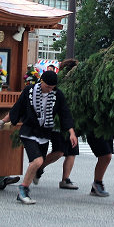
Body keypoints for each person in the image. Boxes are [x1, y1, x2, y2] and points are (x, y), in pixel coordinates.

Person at [1, 70, 76, 204]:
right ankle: (23, 190)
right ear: (42, 82)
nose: (50, 89)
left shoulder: (57, 95)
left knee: (37, 163)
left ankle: (24, 189)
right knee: (37, 161)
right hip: (28, 131)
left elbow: (65, 112)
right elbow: (18, 107)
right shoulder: (29, 90)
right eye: (48, 86)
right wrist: (4, 120)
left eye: (52, 87)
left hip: (44, 133)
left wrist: (71, 132)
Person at [34, 59, 80, 190]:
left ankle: (65, 179)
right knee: (59, 151)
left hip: (71, 122)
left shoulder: (78, 84)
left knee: (72, 152)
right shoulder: (58, 84)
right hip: (56, 123)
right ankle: (39, 168)